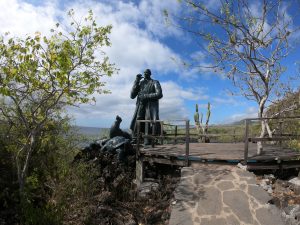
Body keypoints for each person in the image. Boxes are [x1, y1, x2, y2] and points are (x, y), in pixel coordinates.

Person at [130, 69, 163, 144]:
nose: (145, 73)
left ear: (150, 74)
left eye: (147, 72)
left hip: (150, 107)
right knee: (137, 119)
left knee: (148, 120)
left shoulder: (155, 82)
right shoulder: (140, 83)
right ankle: (135, 138)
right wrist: (136, 81)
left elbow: (159, 94)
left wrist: (146, 96)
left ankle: (148, 139)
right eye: (144, 72)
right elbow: (132, 96)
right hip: (140, 106)